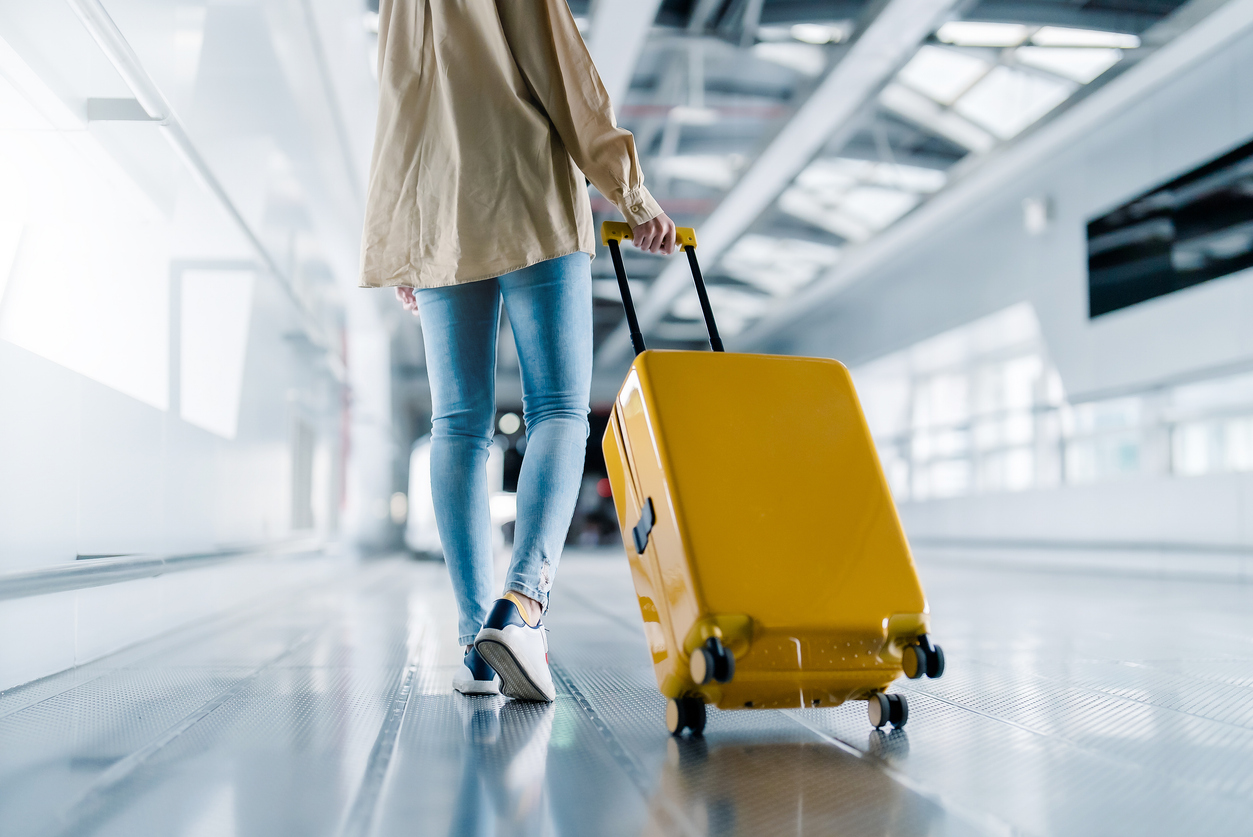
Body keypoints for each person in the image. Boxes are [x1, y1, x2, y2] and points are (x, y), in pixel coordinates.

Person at [359, 0, 675, 702]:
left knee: (458, 423)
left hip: (437, 207)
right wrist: (632, 192)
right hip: (528, 188)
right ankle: (523, 602)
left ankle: (476, 644)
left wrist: (401, 237)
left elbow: (396, 100)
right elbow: (566, 74)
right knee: (559, 409)